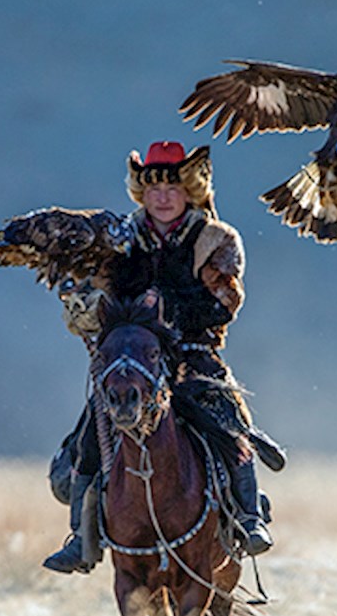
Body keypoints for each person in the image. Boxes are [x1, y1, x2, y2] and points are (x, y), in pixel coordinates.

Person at [44, 141, 277, 573]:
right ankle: (80, 536)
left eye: (172, 187)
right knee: (92, 434)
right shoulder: (119, 238)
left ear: (189, 189)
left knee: (230, 425)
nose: (163, 197)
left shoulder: (216, 239)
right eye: (154, 189)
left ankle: (248, 518)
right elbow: (105, 296)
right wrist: (85, 309)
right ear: (142, 192)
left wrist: (167, 306)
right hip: (132, 358)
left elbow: (225, 301)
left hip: (194, 355)